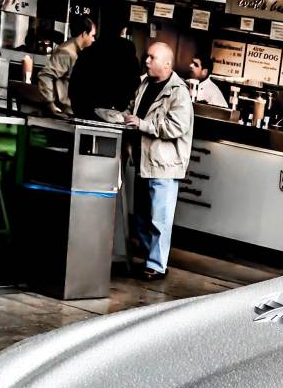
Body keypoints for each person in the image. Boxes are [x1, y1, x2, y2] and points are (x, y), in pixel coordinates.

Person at [124, 42, 193, 280]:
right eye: (147, 57)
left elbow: (177, 126)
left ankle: (156, 265)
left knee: (159, 220)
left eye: (152, 58)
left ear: (167, 63)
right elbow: (133, 109)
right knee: (142, 217)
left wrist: (142, 125)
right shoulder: (145, 84)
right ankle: (149, 259)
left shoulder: (178, 91)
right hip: (144, 161)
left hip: (164, 165)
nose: (147, 61)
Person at [69, 23, 140, 118]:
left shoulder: (88, 52)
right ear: (123, 30)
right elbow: (134, 84)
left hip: (86, 111)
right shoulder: (129, 53)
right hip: (116, 114)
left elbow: (75, 84)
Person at [37, 14, 95, 117]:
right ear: (84, 34)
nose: (93, 40)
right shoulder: (67, 52)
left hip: (71, 112)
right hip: (63, 112)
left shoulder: (78, 52)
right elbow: (45, 75)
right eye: (92, 36)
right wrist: (50, 103)